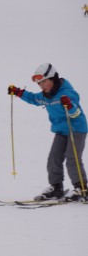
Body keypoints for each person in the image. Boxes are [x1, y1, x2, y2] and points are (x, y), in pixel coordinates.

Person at [8, 63, 87, 202]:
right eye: (39, 84)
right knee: (53, 159)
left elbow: (76, 113)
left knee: (72, 158)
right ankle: (56, 187)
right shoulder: (46, 96)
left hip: (76, 129)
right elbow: (33, 98)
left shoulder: (67, 93)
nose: (42, 86)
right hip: (61, 131)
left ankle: (82, 188)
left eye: (44, 82)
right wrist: (19, 92)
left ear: (53, 79)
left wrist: (69, 106)